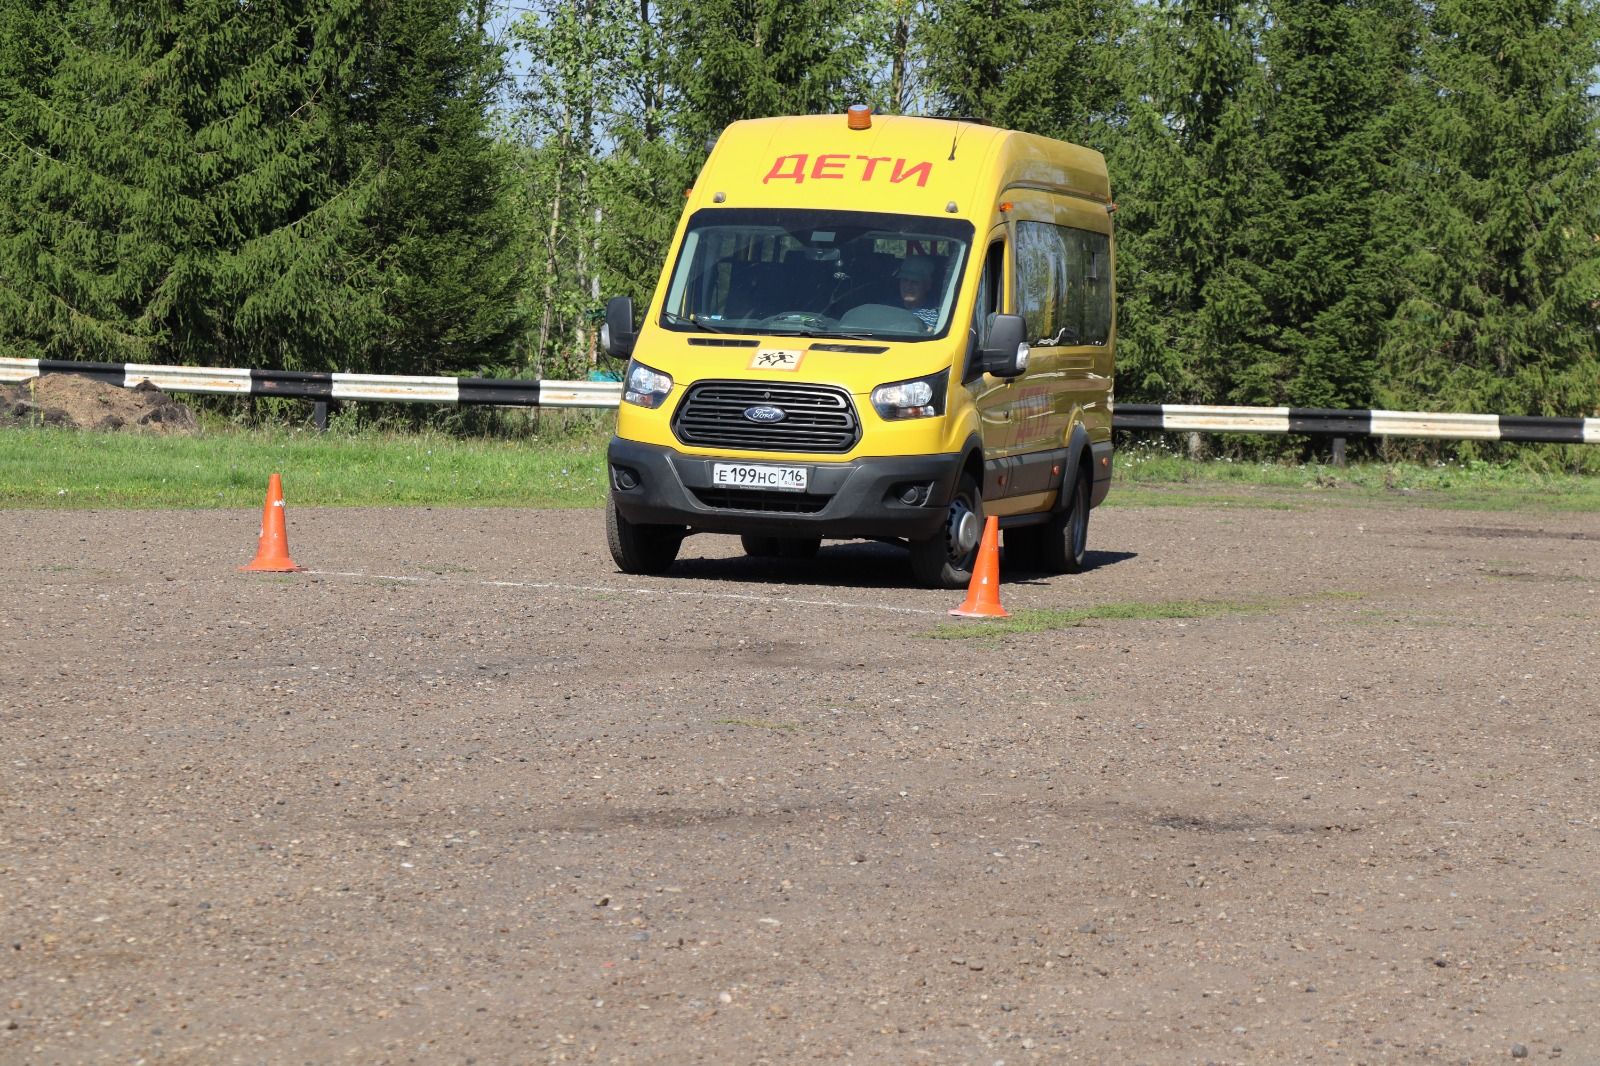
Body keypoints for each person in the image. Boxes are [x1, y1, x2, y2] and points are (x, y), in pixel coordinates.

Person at [896, 257, 942, 330]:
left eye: (915, 282)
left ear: (927, 285)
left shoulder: (935, 316)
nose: (908, 287)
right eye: (905, 280)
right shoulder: (887, 306)